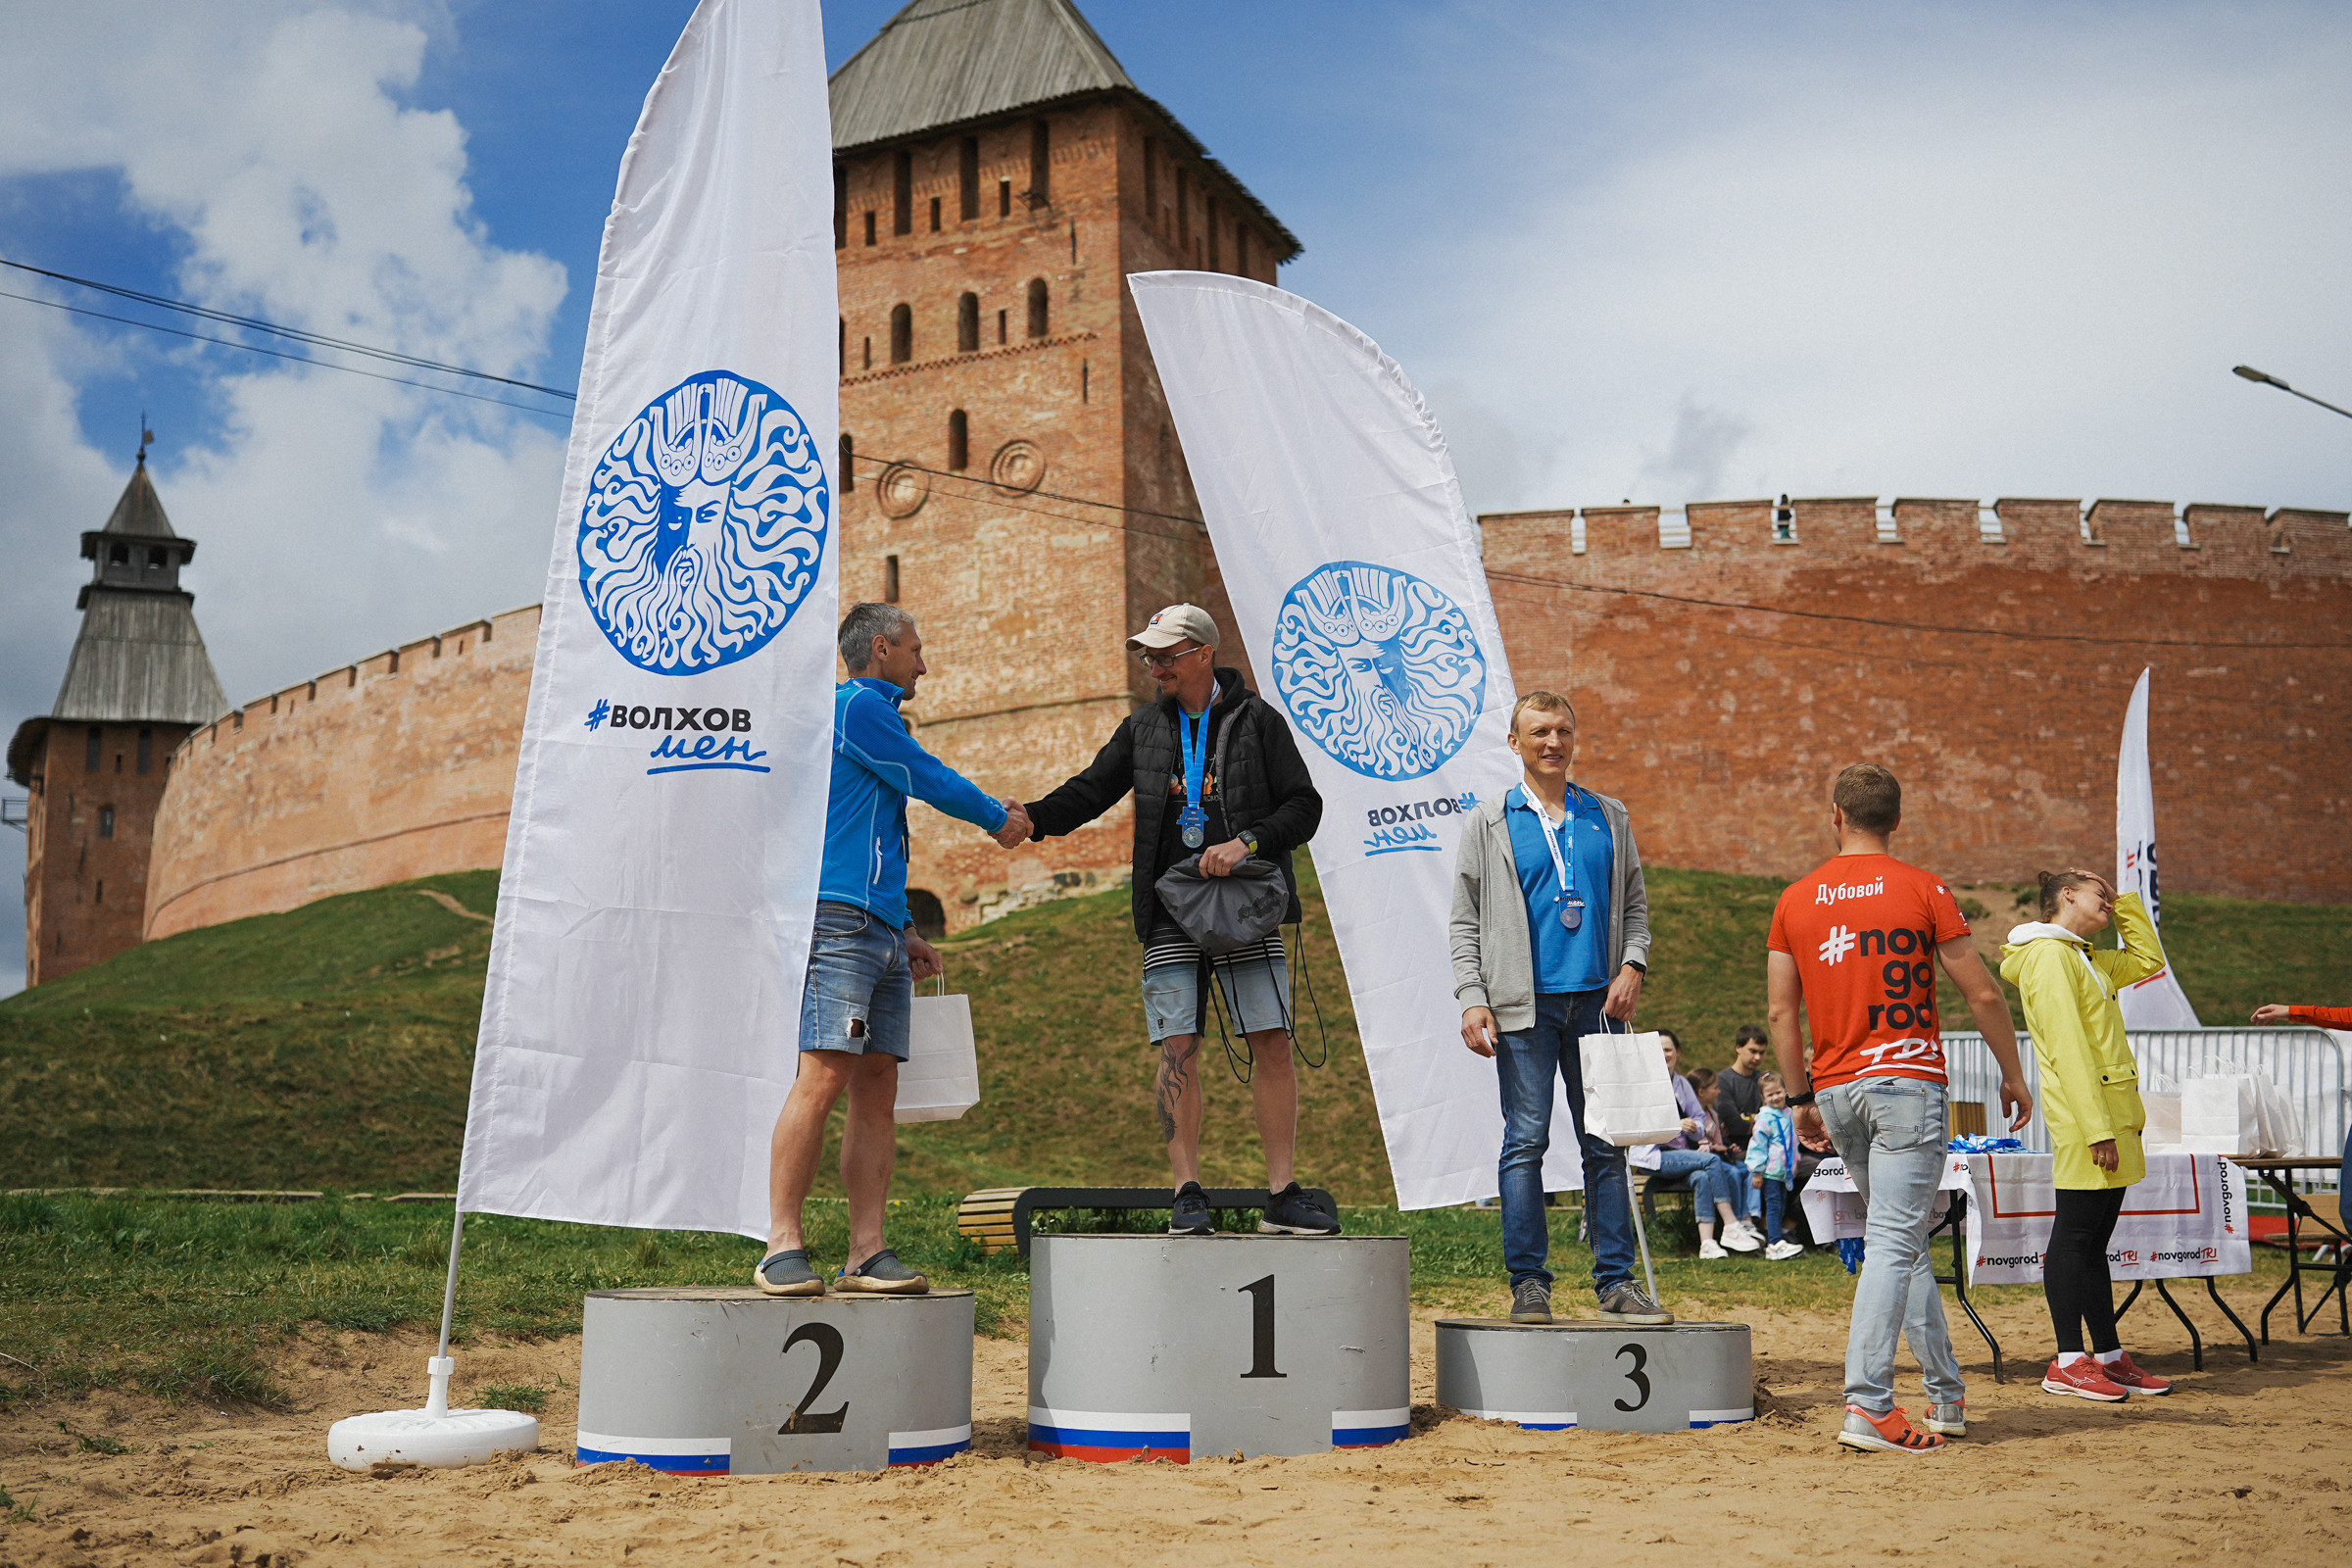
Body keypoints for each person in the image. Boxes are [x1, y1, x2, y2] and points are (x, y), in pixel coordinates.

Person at [1022, 604, 1333, 1236]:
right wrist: (1029, 818)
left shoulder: (1259, 721)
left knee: (1271, 1041)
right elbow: (1089, 791)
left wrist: (1245, 842)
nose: (1155, 667)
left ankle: (1281, 1194)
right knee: (1177, 1047)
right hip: (1172, 909)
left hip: (1246, 905)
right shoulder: (1143, 728)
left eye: (1166, 655)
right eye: (1149, 657)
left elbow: (1305, 805)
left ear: (1203, 653)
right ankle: (1186, 1192)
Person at [756, 605, 1031, 1298]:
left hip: (877, 925)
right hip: (838, 919)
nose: (923, 666)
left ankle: (866, 1252)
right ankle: (781, 1244)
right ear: (880, 648)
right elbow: (925, 774)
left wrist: (905, 927)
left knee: (878, 1090)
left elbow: (883, 832)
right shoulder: (856, 708)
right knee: (822, 1076)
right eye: (915, 651)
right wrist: (997, 817)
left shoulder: (873, 719)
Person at [1767, 762, 2034, 1454]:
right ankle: (1868, 1404)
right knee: (1894, 1241)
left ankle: (1946, 1394)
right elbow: (1983, 993)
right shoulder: (1923, 888)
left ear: (1836, 816)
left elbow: (1781, 1012)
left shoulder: (1795, 899)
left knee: (1900, 1241)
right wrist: (2012, 1075)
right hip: (1907, 1083)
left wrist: (1798, 1097)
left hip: (1836, 1087)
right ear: (1896, 820)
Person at [1453, 690, 1672, 1327]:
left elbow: (1635, 905)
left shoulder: (1609, 815)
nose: (1553, 743)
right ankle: (1529, 1284)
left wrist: (1633, 965)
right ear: (1514, 743)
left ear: (1574, 739)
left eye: (1562, 731)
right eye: (1539, 732)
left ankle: (1617, 1283)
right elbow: (1464, 920)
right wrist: (1472, 997)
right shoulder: (1491, 821)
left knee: (1605, 1144)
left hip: (1599, 1005)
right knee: (1525, 1141)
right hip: (1521, 1008)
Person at [2000, 869, 2175, 1400]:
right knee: (2074, 1238)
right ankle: (2068, 1360)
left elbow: (2149, 961)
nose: (2107, 902)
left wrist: (2123, 905)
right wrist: (2097, 1129)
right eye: (2099, 894)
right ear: (2067, 896)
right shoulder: (2050, 957)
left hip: (2112, 1115)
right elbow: (2068, 1048)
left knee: (2095, 1242)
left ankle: (2109, 1356)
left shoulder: (2084, 956)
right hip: (2087, 1120)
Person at [1641, 1040, 1762, 1257]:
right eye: (1658, 1049)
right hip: (1654, 1155)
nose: (1664, 1054)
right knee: (1712, 1161)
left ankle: (1707, 1244)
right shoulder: (1643, 1085)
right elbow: (1639, 1125)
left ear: (1677, 1052)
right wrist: (1676, 1125)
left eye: (1668, 1049)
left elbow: (1699, 1120)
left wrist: (1693, 1127)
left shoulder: (1682, 1084)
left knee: (1702, 1177)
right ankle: (1731, 1224)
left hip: (1682, 1156)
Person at [1746, 1071, 1804, 1260]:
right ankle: (1774, 1243)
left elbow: (1793, 1143)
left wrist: (1795, 1164)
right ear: (1763, 1097)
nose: (1775, 1097)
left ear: (1785, 1090)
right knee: (1773, 1206)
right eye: (1770, 1095)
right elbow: (1757, 1146)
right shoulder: (1765, 1119)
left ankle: (1776, 1239)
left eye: (1778, 1092)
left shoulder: (1788, 1113)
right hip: (1770, 1172)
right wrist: (1757, 1171)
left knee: (1780, 1206)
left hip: (1784, 1172)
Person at [1716, 1025, 1772, 1155]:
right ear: (1738, 1048)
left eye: (1762, 1053)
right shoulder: (1723, 1081)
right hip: (1739, 1150)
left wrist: (1747, 1119)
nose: (1757, 1057)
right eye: (1753, 1051)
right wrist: (1761, 1120)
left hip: (1769, 1146)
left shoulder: (1764, 1079)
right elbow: (1734, 1125)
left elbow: (1779, 1116)